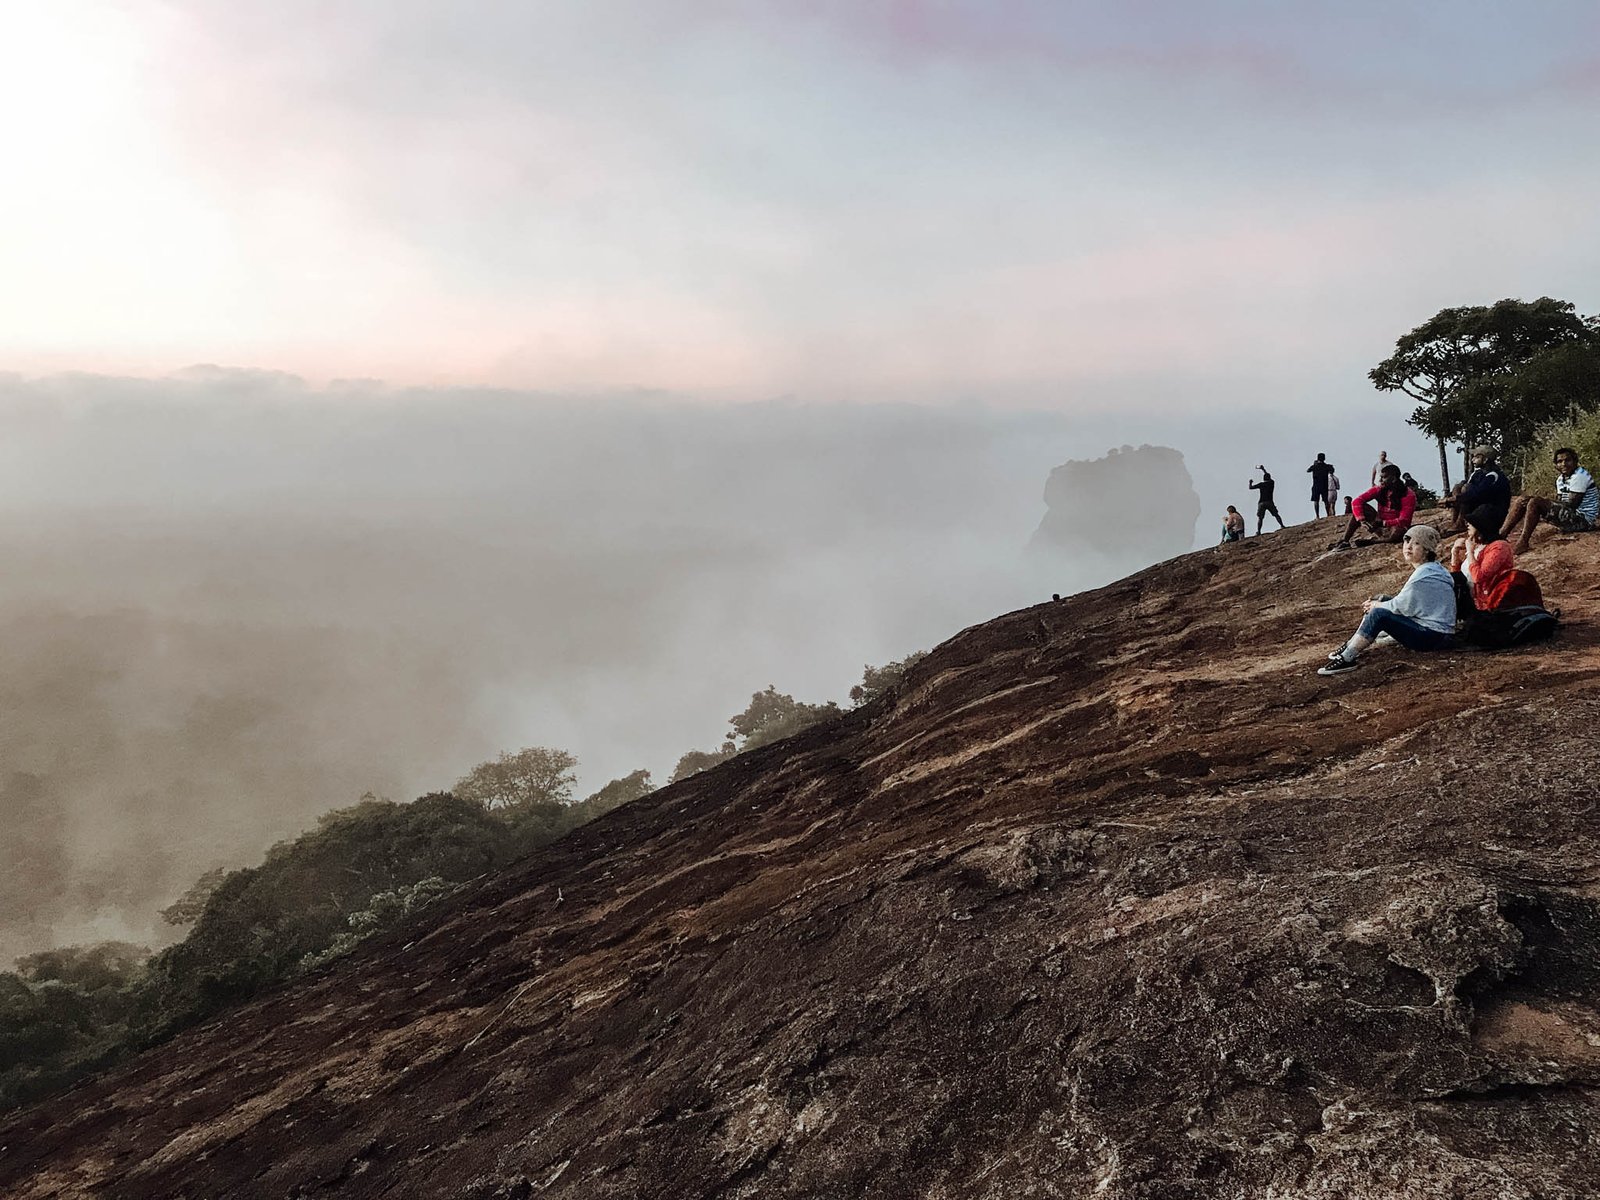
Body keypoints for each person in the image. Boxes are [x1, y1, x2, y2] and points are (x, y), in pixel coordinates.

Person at [1319, 525, 1454, 674]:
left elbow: (1401, 606)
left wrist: (1376, 605)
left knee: (1378, 612)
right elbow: (1407, 604)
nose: (1408, 547)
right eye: (1406, 541)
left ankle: (1347, 657)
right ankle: (1351, 644)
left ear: (1427, 550)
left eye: (1416, 543)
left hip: (1433, 638)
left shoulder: (1424, 576)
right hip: (1436, 632)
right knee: (1381, 599)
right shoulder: (1433, 569)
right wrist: (1379, 602)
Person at [1501, 446, 1599, 553]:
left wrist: (1542, 503)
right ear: (1556, 465)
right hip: (1572, 517)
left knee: (1535, 502)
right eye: (1559, 461)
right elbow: (1561, 502)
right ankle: (1502, 535)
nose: (1563, 464)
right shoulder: (1561, 479)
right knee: (1523, 499)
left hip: (1584, 521)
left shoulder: (1580, 476)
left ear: (1575, 461)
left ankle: (1523, 541)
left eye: (1567, 460)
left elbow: (1571, 504)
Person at [1331, 463, 1416, 549]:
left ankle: (1373, 542)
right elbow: (1357, 501)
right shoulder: (1380, 489)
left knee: (1400, 531)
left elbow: (1404, 520)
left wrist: (1383, 523)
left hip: (1394, 528)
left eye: (1384, 477)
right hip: (1380, 525)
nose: (1380, 480)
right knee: (1361, 508)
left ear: (1393, 479)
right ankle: (1345, 541)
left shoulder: (1408, 495)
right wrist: (1362, 520)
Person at [1443, 444, 1511, 535]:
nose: (1473, 460)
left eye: (1477, 457)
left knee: (1467, 489)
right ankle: (1455, 522)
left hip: (1491, 511)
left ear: (1485, 459)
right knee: (1458, 486)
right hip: (1479, 506)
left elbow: (1477, 494)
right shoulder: (1477, 473)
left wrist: (1454, 499)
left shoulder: (1494, 475)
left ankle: (1461, 523)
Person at [1249, 465, 1285, 534]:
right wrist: (1263, 469)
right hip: (1269, 501)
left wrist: (1250, 482)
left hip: (1261, 502)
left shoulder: (1261, 484)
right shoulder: (1271, 483)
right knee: (1276, 514)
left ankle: (1259, 531)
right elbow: (1268, 475)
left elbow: (1250, 487)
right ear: (1269, 478)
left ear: (1263, 479)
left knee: (1260, 518)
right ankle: (1282, 525)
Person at [1307, 454, 1337, 518]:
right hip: (1324, 486)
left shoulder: (1314, 466)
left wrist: (1315, 464)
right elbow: (1332, 471)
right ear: (1324, 458)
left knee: (1316, 501)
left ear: (1317, 459)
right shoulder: (1327, 466)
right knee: (1326, 501)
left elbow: (1308, 470)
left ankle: (1317, 516)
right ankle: (1328, 514)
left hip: (1316, 486)